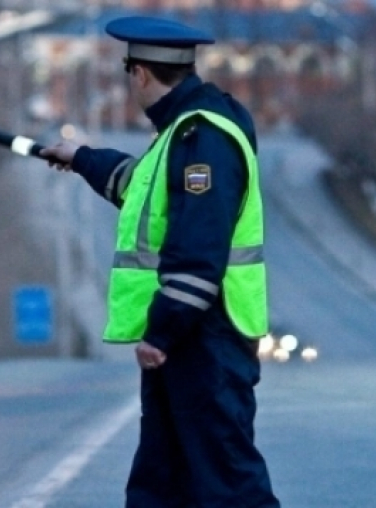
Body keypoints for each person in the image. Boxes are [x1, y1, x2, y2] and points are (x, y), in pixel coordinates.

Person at [40, 15, 280, 508]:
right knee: (164, 482)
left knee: (227, 485)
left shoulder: (202, 140)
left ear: (141, 74)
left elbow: (198, 251)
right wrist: (81, 157)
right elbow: (137, 187)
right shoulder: (181, 133)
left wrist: (161, 332)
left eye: (128, 71)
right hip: (193, 341)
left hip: (205, 338)